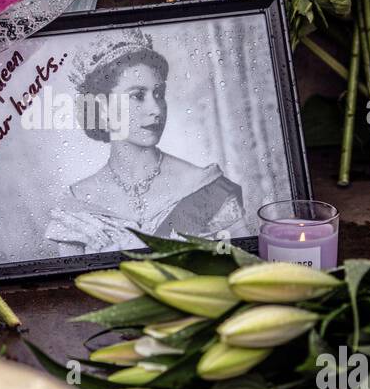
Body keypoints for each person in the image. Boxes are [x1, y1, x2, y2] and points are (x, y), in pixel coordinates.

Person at [45, 29, 243, 256]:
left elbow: (243, 272)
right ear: (103, 106)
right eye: (137, 96)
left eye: (159, 94)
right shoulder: (77, 206)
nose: (156, 110)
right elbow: (71, 289)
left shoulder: (206, 187)